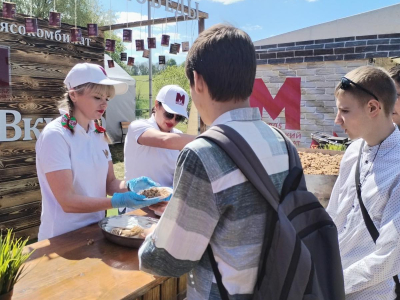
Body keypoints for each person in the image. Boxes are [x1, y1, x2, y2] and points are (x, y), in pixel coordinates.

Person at [138, 24, 290, 299]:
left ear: (198, 81)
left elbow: (167, 260)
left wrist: (148, 239)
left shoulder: (203, 154)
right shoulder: (283, 144)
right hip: (280, 288)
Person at [36, 63, 163, 241]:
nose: (104, 103)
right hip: (62, 237)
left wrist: (132, 186)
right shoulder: (55, 135)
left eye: (107, 98)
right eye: (97, 97)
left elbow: (109, 182)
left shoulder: (97, 133)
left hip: (95, 230)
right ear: (74, 95)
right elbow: (67, 201)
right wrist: (118, 201)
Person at [326, 66, 400, 299]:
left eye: (345, 111)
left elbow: (388, 258)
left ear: (373, 108)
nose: (338, 120)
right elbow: (333, 217)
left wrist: (331, 284)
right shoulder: (353, 151)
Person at [122, 85, 195, 215]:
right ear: (157, 105)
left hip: (165, 210)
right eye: (169, 114)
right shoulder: (138, 127)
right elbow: (164, 140)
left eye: (179, 117)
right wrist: (211, 138)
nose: (173, 120)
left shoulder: (178, 135)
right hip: (139, 209)